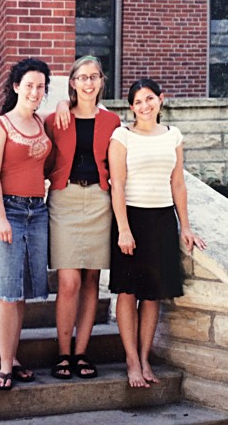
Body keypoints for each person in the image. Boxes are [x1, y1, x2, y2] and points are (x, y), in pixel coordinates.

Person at [108, 78, 206, 389]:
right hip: (131, 220)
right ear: (131, 107)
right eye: (138, 102)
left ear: (161, 100)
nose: (145, 106)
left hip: (163, 220)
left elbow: (178, 183)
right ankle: (131, 360)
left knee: (152, 296)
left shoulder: (173, 136)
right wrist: (123, 228)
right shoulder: (122, 136)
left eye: (149, 99)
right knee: (128, 291)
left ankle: (146, 356)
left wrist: (185, 226)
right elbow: (118, 185)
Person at [45, 55, 121, 379]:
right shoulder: (56, 119)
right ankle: (63, 353)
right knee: (69, 280)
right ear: (73, 82)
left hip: (100, 202)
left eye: (94, 77)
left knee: (91, 280)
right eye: (82, 77)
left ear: (102, 82)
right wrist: (63, 104)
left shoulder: (113, 122)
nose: (88, 82)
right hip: (65, 200)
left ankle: (81, 353)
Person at [0, 58, 52, 390]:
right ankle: (5, 364)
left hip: (37, 213)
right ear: (15, 87)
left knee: (22, 292)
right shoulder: (0, 126)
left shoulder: (42, 123)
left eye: (40, 86)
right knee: (7, 291)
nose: (35, 92)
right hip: (8, 211)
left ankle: (15, 357)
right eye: (29, 85)